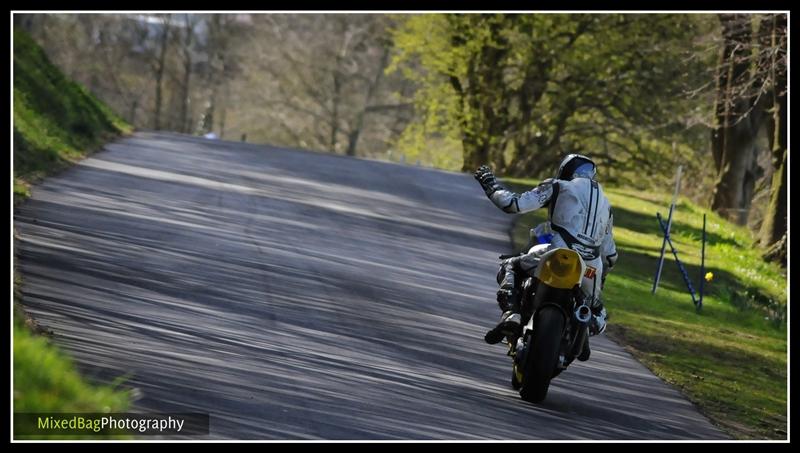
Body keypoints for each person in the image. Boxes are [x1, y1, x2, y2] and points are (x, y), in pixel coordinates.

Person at [474, 154, 618, 358]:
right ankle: (583, 330)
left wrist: (491, 186)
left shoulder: (558, 186)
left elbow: (513, 204)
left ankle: (512, 315)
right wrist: (601, 277)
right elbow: (610, 255)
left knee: (510, 266)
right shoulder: (606, 204)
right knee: (597, 309)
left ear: (566, 171)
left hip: (557, 252)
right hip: (591, 267)